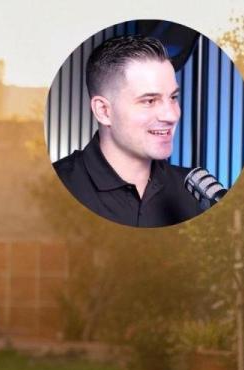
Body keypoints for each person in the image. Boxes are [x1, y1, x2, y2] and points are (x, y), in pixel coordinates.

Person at [53, 35, 205, 227]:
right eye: (149, 101)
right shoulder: (57, 188)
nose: (171, 115)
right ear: (104, 111)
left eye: (173, 97)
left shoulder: (196, 192)